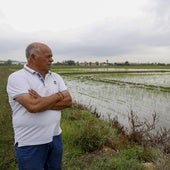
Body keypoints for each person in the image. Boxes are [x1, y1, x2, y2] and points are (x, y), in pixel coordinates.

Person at [7, 42, 72, 170]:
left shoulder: (56, 77)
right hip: (30, 141)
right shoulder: (17, 78)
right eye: (48, 56)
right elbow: (33, 106)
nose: (52, 60)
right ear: (33, 57)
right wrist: (58, 96)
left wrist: (42, 101)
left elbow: (68, 102)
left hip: (55, 137)